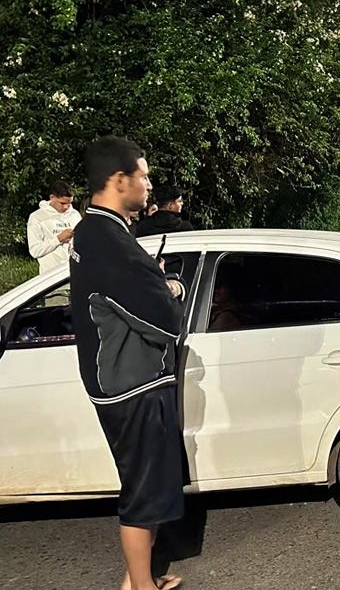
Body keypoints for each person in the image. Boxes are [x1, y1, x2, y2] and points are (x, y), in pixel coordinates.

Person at [69, 136, 188, 590]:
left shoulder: (93, 229)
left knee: (149, 486)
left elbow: (121, 295)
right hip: (133, 386)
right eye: (143, 175)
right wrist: (171, 287)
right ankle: (139, 586)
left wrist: (151, 282)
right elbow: (165, 320)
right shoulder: (109, 242)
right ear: (120, 181)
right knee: (143, 492)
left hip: (120, 380)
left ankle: (137, 577)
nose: (149, 183)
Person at [26, 180, 82, 274]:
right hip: (51, 279)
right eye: (62, 203)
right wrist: (58, 239)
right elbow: (35, 251)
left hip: (75, 275)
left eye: (69, 203)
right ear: (52, 197)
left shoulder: (75, 215)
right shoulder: (37, 217)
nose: (66, 207)